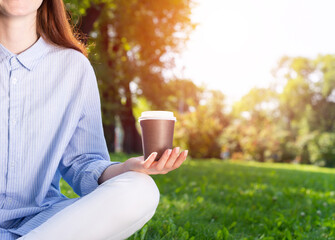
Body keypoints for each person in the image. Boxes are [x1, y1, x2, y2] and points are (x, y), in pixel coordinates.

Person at [0, 0, 188, 239]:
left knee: (141, 190)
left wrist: (126, 168)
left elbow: (83, 162)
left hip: (43, 223)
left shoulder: (73, 67)